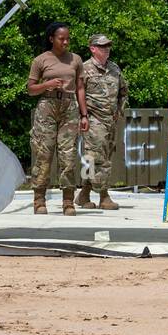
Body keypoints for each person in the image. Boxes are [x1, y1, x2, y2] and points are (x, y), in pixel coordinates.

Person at [27, 22, 89, 215]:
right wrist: (48, 84)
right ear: (51, 39)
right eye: (61, 38)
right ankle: (39, 200)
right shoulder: (40, 60)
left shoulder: (76, 60)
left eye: (68, 38)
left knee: (68, 156)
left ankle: (68, 201)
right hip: (47, 106)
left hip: (69, 107)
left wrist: (84, 114)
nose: (65, 42)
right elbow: (30, 89)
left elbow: (80, 88)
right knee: (43, 154)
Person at [78, 33, 129, 211]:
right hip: (93, 120)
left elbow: (124, 91)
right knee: (98, 159)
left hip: (110, 121)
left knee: (96, 158)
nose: (106, 49)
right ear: (93, 48)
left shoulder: (114, 69)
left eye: (108, 46)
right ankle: (103, 195)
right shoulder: (84, 69)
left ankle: (84, 193)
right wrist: (83, 116)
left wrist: (118, 112)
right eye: (102, 46)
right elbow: (78, 93)